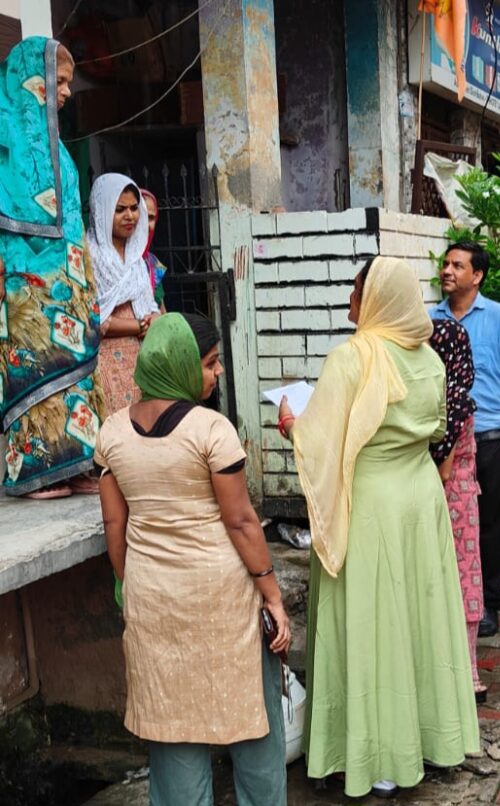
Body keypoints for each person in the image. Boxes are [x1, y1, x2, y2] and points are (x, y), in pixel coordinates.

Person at [279, 257, 479, 799]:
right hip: (418, 499)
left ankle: (370, 757)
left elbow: (320, 440)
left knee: (369, 625)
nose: (353, 298)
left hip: (367, 505)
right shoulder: (432, 361)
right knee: (416, 622)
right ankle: (423, 742)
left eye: (358, 290)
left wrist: (294, 425)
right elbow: (438, 428)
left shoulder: (353, 357)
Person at [95, 312, 289, 805]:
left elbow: (115, 525)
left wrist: (128, 581)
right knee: (252, 721)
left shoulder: (112, 432)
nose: (217, 372)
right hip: (221, 597)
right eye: (210, 363)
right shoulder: (211, 429)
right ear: (180, 365)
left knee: (171, 723)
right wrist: (271, 594)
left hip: (154, 598)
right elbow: (242, 521)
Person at [0, 37, 104, 499]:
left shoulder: (59, 150)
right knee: (35, 371)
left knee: (76, 371)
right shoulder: (4, 144)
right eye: (59, 81)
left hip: (68, 281)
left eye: (68, 83)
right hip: (25, 283)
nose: (66, 91)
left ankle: (76, 462)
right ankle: (33, 473)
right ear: (31, 79)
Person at [431, 242, 500, 637]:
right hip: (446, 442)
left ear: (478, 275)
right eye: (446, 264)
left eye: (458, 265)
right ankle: (452, 600)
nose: (448, 271)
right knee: (449, 526)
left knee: (489, 526)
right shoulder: (429, 319)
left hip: (490, 439)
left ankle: (488, 602)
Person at [429, 318, 485, 702]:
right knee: (464, 577)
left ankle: (466, 674)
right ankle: (467, 671)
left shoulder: (449, 400)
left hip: (451, 498)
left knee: (457, 580)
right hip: (465, 497)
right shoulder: (461, 393)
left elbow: (443, 467)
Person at [88, 173, 159, 416]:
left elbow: (150, 305)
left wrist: (154, 318)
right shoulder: (89, 257)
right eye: (119, 210)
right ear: (103, 212)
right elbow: (95, 319)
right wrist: (140, 325)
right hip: (105, 363)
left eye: (133, 208)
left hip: (141, 363)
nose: (130, 216)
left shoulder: (137, 260)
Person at [140, 189, 167, 311]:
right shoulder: (110, 262)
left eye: (151, 218)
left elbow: (162, 310)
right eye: (142, 216)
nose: (146, 224)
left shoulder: (152, 263)